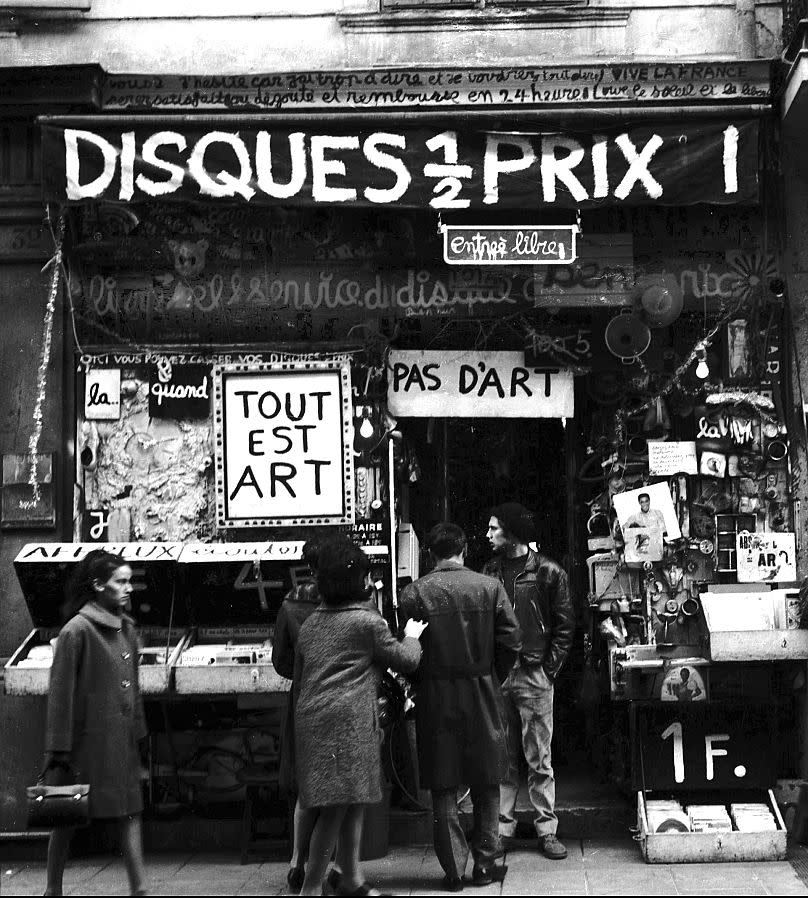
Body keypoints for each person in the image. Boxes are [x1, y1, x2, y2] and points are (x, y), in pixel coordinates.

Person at [294, 536, 427, 897]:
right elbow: (406, 660)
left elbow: (301, 673)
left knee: (351, 801)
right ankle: (311, 888)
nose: (370, 582)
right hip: (346, 724)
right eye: (366, 577)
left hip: (315, 721)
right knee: (337, 809)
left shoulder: (311, 624)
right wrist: (412, 636)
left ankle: (350, 879)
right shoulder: (366, 622)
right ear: (355, 583)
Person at [399, 523, 522, 892]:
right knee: (487, 780)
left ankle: (453, 872)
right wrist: (489, 676)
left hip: (434, 694)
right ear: (463, 549)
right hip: (481, 690)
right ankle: (485, 866)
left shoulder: (413, 593)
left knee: (443, 783)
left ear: (430, 554)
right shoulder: (489, 586)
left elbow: (407, 649)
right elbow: (512, 642)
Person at [42, 549, 148, 897]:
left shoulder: (128, 629)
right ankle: (53, 888)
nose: (128, 588)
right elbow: (60, 694)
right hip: (83, 746)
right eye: (120, 582)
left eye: (130, 581)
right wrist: (59, 750)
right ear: (99, 585)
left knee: (129, 811)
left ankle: (140, 888)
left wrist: (141, 733)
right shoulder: (77, 630)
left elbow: (134, 688)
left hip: (120, 743)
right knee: (66, 815)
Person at [483, 503, 574, 861]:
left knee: (540, 755)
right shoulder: (489, 570)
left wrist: (548, 670)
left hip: (534, 671)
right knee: (502, 754)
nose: (487, 536)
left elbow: (565, 626)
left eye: (494, 529)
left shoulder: (549, 571)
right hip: (500, 672)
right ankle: (503, 827)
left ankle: (546, 829)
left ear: (512, 533)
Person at [271, 538, 323, 895]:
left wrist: (303, 673)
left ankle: (296, 861)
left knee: (305, 785)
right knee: (337, 786)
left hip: (302, 697)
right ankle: (333, 865)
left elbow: (279, 661)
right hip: (340, 699)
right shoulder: (347, 602)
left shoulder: (290, 605)